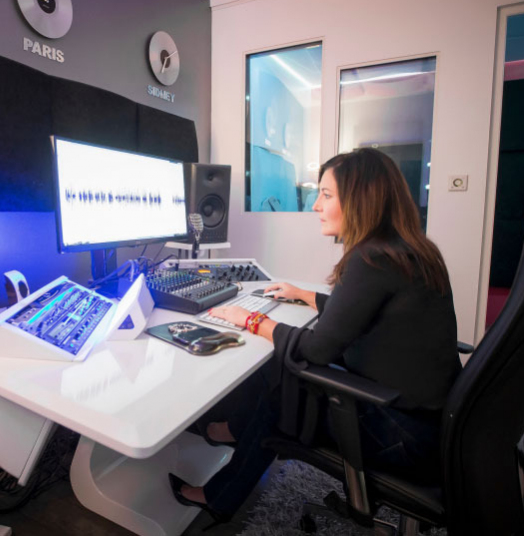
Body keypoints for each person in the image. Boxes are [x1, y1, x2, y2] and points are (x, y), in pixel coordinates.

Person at [169, 147, 462, 525]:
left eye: (326, 195)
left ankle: (218, 495)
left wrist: (251, 320)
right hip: (432, 424)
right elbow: (368, 312)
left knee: (281, 391)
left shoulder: (372, 259)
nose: (316, 206)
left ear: (360, 199)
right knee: (279, 370)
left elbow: (317, 349)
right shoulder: (409, 250)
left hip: (402, 436)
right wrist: (308, 296)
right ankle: (228, 431)